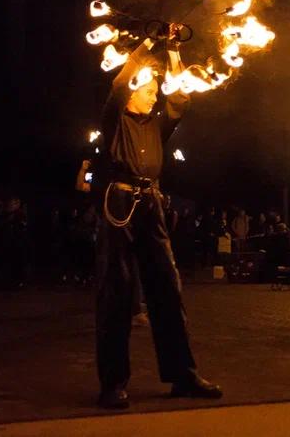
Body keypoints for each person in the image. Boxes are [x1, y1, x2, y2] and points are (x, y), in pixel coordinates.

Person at [94, 26, 221, 410]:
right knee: (116, 291)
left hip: (152, 204)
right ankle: (113, 384)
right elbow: (119, 83)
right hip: (119, 204)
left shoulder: (155, 124)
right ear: (132, 93)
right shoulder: (116, 120)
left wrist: (173, 50)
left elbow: (180, 96)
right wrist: (147, 41)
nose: (154, 95)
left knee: (168, 287)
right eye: (148, 90)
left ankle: (182, 375)